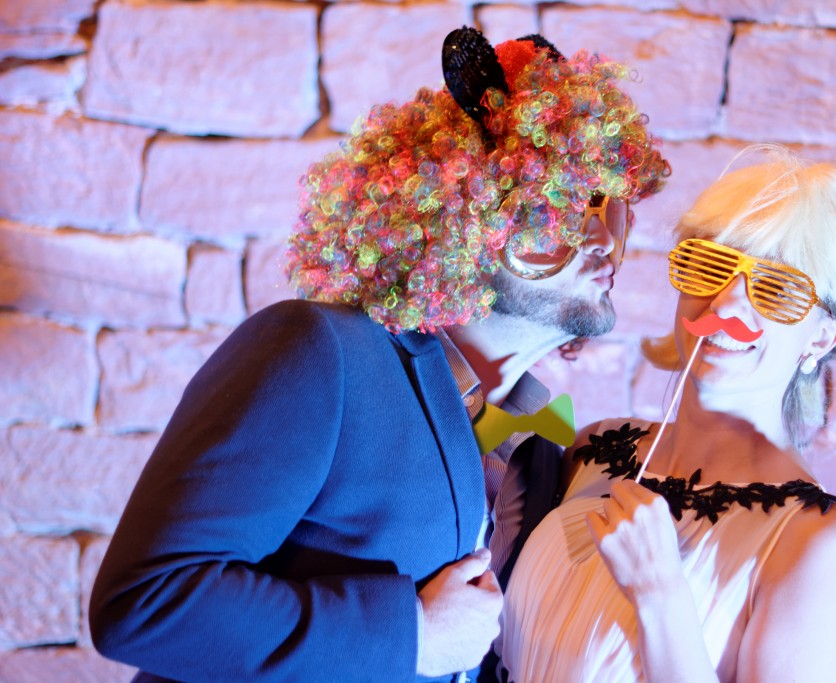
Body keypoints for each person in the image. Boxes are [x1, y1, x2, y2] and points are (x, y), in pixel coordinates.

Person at [88, 26, 667, 683]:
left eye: (610, 211)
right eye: (557, 210)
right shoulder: (319, 353)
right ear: (462, 220)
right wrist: (411, 634)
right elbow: (144, 603)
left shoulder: (540, 445)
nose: (601, 241)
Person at [499, 144, 836, 683]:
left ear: (821, 337)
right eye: (708, 265)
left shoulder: (817, 544)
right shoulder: (593, 449)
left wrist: (660, 593)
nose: (725, 306)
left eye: (777, 289)